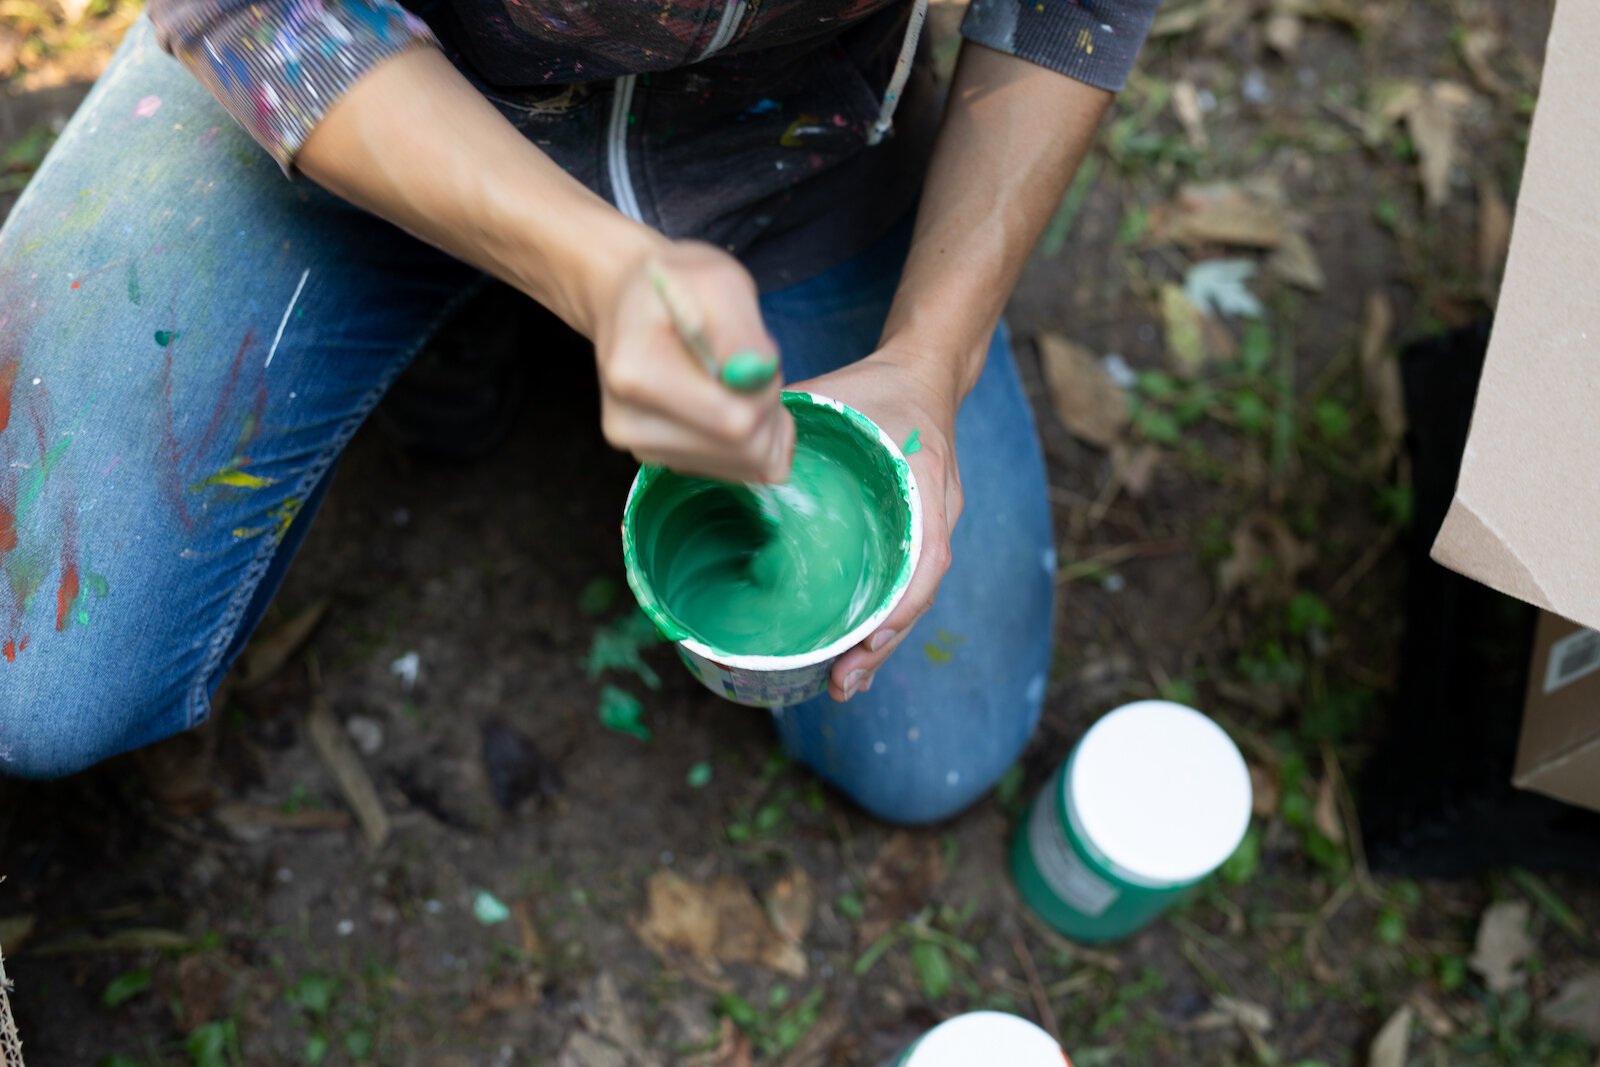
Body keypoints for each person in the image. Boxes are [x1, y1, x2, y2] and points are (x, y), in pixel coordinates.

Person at [0, 0, 1157, 822]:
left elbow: (1074, 9)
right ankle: (474, 303)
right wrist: (586, 269)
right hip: (366, 80)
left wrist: (930, 355)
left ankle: (532, 321)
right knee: (34, 674)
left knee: (936, 750)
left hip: (788, 132)